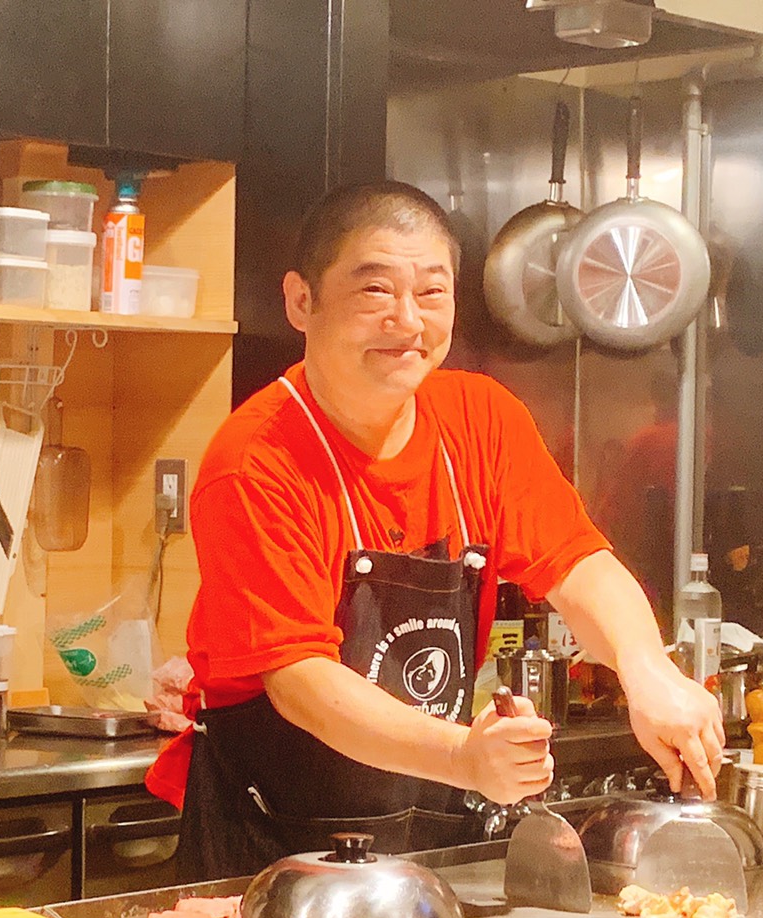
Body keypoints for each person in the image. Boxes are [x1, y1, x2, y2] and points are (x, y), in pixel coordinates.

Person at [146, 181, 726, 881]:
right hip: (269, 852)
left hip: (426, 841)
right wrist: (460, 757)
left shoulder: (481, 418)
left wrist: (647, 670)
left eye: (431, 293)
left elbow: (577, 564)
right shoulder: (255, 461)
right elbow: (299, 679)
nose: (407, 321)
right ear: (302, 301)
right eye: (374, 292)